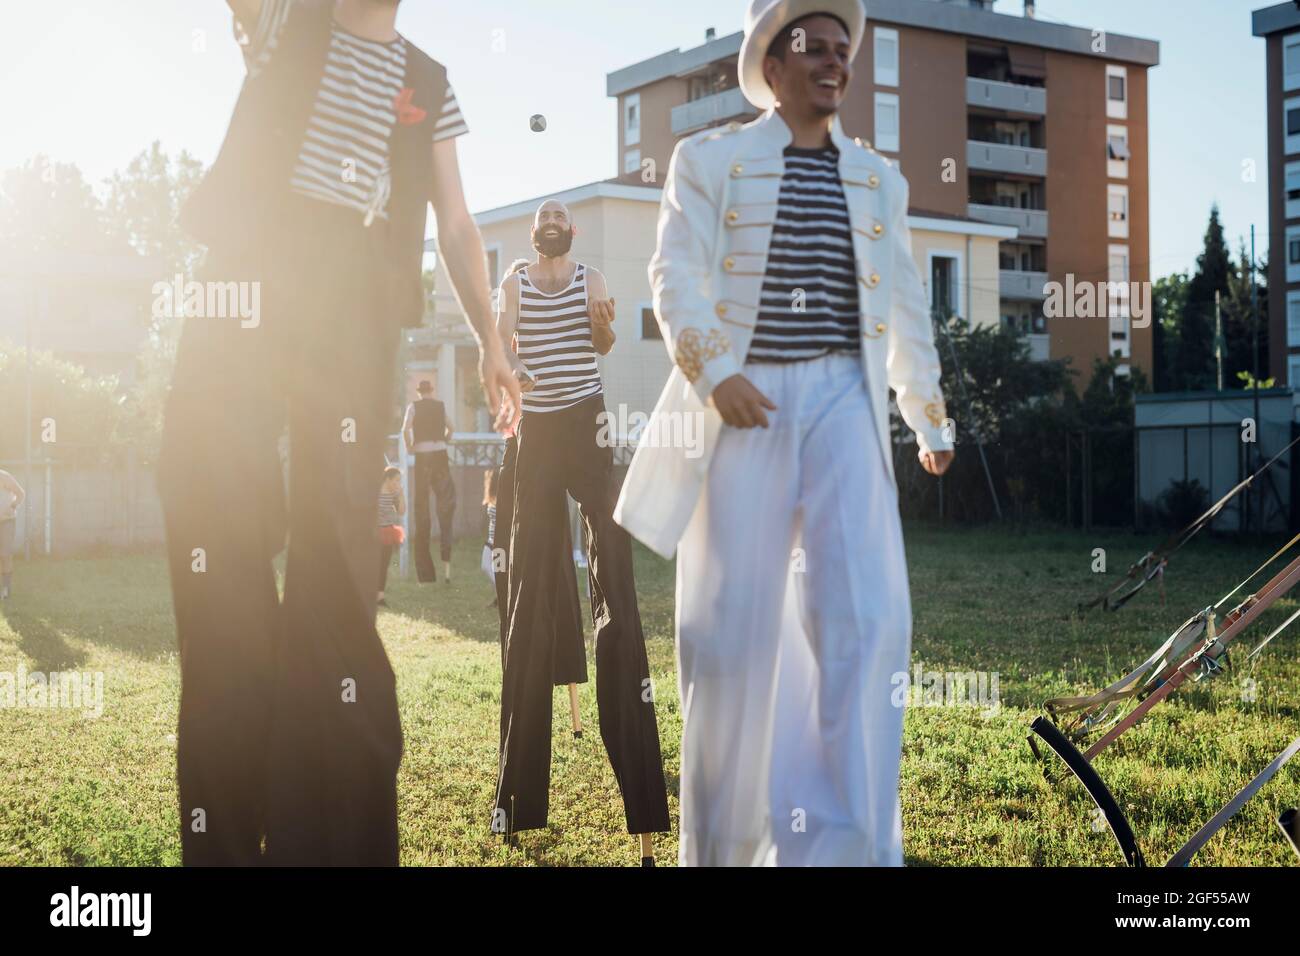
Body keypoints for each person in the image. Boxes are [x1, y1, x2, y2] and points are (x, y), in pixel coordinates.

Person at [156, 0, 518, 866]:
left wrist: (492, 344)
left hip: (350, 311)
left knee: (335, 563)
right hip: (245, 286)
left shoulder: (427, 81)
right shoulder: (286, 21)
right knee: (215, 528)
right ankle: (226, 828)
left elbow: (458, 222)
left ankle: (329, 840)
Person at [614, 0, 955, 866]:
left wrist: (927, 411)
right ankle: (723, 849)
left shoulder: (881, 180)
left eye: (846, 50)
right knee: (730, 636)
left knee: (867, 619)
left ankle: (847, 850)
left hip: (845, 396)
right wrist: (714, 367)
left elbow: (907, 302)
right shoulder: (710, 159)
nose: (835, 62)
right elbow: (674, 271)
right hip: (744, 401)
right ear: (773, 64)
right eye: (816, 48)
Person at [494, 200, 669, 863]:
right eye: (546, 216)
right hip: (537, 432)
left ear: (570, 232)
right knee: (529, 591)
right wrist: (509, 367)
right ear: (536, 233)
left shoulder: (592, 278)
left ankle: (645, 804)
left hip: (588, 424)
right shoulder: (512, 282)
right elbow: (502, 334)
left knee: (614, 585)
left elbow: (604, 345)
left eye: (561, 216)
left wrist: (603, 329)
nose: (553, 222)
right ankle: (516, 799)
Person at [403, 379, 456, 583]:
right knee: (445, 507)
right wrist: (445, 440)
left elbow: (405, 429)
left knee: (422, 509)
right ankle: (447, 569)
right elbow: (451, 428)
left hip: (423, 456)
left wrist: (410, 446)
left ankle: (425, 574)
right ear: (431, 391)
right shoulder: (440, 406)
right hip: (440, 454)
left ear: (418, 393)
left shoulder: (413, 407)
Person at [377, 466, 406, 607]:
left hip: (388, 532)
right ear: (388, 479)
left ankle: (380, 596)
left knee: (384, 564)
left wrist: (401, 495)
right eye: (396, 480)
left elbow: (401, 512)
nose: (398, 483)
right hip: (373, 532)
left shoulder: (394, 493)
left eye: (399, 480)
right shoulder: (375, 491)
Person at [0, 469, 24, 600]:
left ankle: (6, 591)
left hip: (6, 521)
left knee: (5, 555)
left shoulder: (4, 476)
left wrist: (13, 506)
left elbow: (20, 493)